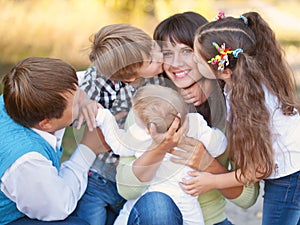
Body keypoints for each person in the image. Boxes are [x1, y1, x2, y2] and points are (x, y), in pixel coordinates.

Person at [116, 12, 259, 225]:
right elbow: (126, 188)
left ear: (206, 52)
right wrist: (159, 148)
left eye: (186, 51)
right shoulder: (150, 104)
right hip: (156, 216)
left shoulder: (230, 107)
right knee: (158, 203)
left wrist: (207, 163)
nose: (175, 63)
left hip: (209, 220)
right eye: (166, 53)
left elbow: (248, 197)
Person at [186, 11, 300, 225]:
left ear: (224, 71)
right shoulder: (248, 77)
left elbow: (257, 169)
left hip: (290, 178)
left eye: (198, 60)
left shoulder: (249, 105)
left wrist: (212, 181)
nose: (193, 61)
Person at [89, 84, 226, 225]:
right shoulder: (195, 124)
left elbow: (118, 145)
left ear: (149, 129)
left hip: (149, 199)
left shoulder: (141, 135)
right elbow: (219, 146)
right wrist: (214, 135)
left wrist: (104, 117)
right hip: (187, 204)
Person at [74, 23, 165, 225]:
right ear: (131, 75)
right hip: (97, 179)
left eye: (153, 46)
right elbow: (69, 91)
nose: (160, 57)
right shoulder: (96, 83)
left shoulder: (156, 79)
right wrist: (83, 103)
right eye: (151, 60)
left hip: (132, 175)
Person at [0, 57, 106, 225]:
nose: (85, 98)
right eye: (78, 103)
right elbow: (58, 207)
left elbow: (82, 81)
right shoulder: (26, 160)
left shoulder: (29, 97)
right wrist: (88, 149)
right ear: (46, 123)